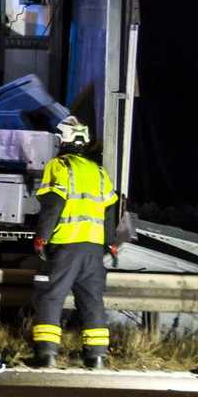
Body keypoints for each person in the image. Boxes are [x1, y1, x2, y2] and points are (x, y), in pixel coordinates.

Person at [30, 116, 120, 369]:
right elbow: (110, 210)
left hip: (66, 244)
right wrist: (110, 243)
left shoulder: (59, 166)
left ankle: (46, 354)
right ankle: (97, 356)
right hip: (93, 247)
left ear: (62, 140)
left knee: (51, 297)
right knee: (92, 301)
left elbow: (53, 204)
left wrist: (42, 237)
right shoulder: (98, 171)